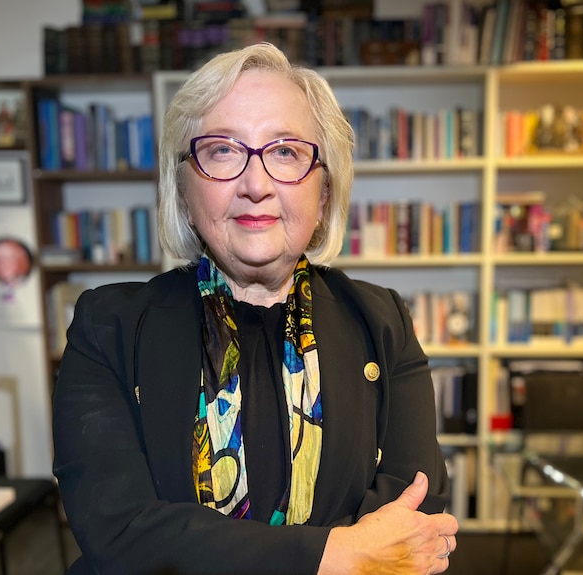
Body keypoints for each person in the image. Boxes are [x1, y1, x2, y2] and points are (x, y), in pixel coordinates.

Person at [52, 42, 458, 575]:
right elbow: (119, 533)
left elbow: (413, 515)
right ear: (184, 188)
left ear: (325, 191)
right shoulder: (106, 328)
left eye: (286, 152)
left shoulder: (384, 321)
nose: (256, 185)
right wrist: (335, 556)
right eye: (222, 150)